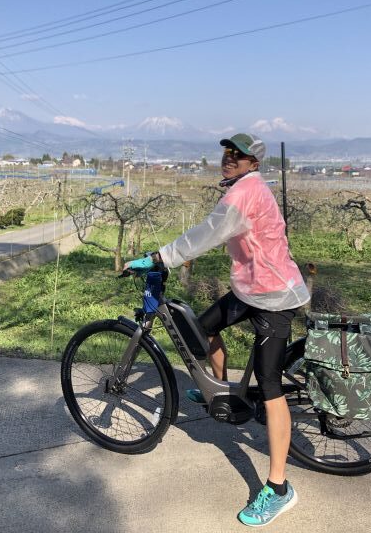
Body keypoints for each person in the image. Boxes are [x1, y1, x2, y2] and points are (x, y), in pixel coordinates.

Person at [125, 133, 310, 528]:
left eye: (238, 155)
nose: (229, 159)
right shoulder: (245, 187)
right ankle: (219, 390)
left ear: (253, 163)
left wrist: (160, 257)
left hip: (273, 295)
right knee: (204, 329)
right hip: (250, 287)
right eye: (227, 153)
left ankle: (278, 490)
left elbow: (207, 232)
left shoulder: (245, 193)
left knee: (271, 386)